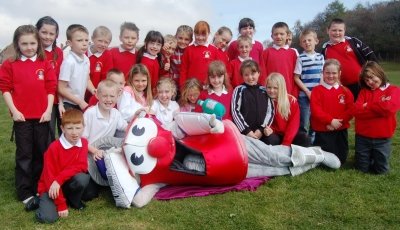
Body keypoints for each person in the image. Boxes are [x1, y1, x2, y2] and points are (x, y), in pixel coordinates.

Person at [0, 24, 57, 211]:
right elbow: (5, 89)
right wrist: (14, 111)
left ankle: (40, 187)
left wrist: (48, 110)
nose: (29, 47)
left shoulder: (45, 63)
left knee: (42, 153)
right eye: (24, 43)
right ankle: (25, 192)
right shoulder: (10, 64)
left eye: (32, 43)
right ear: (17, 44)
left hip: (42, 117)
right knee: (24, 155)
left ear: (38, 43)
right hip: (22, 119)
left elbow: (51, 89)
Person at [35, 109, 90, 223]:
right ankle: (38, 201)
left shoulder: (83, 142)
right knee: (49, 218)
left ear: (83, 127)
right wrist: (61, 205)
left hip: (62, 183)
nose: (74, 132)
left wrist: (59, 180)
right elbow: (49, 178)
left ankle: (73, 201)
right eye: (70, 128)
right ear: (62, 128)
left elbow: (82, 166)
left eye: (78, 128)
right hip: (49, 186)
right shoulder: (54, 148)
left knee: (83, 178)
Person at [354, 61, 400, 174]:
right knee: (361, 169)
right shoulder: (364, 92)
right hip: (363, 137)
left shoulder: (393, 90)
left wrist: (368, 105)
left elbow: (389, 109)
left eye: (372, 77)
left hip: (382, 138)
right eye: (366, 80)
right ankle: (369, 158)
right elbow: (357, 111)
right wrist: (379, 107)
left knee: (382, 171)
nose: (370, 82)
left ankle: (375, 158)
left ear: (379, 73)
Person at [321, 18, 378, 100]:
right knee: (348, 111)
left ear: (344, 31)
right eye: (334, 30)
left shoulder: (353, 42)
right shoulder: (325, 50)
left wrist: (373, 76)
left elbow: (371, 57)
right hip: (342, 88)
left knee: (365, 109)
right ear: (328, 30)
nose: (337, 33)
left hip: (362, 84)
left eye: (340, 30)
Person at [310, 59, 354, 164]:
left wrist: (337, 123)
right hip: (323, 129)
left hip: (340, 129)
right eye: (327, 73)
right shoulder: (317, 91)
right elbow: (316, 110)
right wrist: (330, 121)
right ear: (323, 73)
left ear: (339, 73)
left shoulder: (346, 91)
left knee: (341, 159)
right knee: (325, 161)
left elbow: (351, 110)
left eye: (334, 73)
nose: (330, 76)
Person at [231, 59, 274, 145]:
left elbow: (270, 112)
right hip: (245, 133)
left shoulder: (264, 90)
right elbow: (235, 111)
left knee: (273, 141)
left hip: (261, 132)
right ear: (242, 76)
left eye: (253, 74)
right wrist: (247, 131)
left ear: (258, 73)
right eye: (246, 75)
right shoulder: (239, 90)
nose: (250, 77)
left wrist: (261, 129)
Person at [83, 79, 127, 161]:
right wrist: (94, 151)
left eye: (112, 96)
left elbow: (126, 127)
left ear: (117, 96)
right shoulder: (90, 113)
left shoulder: (115, 113)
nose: (108, 99)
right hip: (90, 152)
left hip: (106, 153)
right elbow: (81, 139)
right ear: (97, 95)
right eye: (104, 96)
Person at [35, 16, 64, 142]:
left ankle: (65, 159)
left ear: (56, 35)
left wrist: (62, 101)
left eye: (51, 33)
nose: (47, 37)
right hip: (43, 100)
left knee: (65, 131)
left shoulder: (58, 52)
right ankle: (47, 159)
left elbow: (60, 78)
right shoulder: (32, 52)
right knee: (47, 134)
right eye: (44, 32)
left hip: (59, 99)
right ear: (37, 32)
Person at [294, 28, 324, 141]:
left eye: (309, 40)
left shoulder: (321, 57)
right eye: (304, 41)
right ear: (301, 44)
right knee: (304, 122)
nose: (307, 43)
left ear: (316, 41)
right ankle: (303, 143)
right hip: (304, 96)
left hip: (317, 96)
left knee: (315, 121)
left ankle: (313, 143)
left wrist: (318, 92)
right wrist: (307, 91)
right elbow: (296, 77)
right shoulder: (301, 58)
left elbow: (322, 74)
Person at [265, 73, 311, 146]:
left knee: (305, 139)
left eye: (275, 88)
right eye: (269, 87)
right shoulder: (265, 101)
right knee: (270, 139)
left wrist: (286, 143)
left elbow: (293, 125)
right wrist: (269, 129)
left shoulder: (292, 101)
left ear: (281, 88)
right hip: (275, 134)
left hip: (289, 134)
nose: (271, 90)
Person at [58, 24, 96, 112]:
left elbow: (87, 79)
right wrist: (80, 102)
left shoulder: (86, 59)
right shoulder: (69, 62)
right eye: (79, 40)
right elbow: (61, 88)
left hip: (79, 102)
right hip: (68, 104)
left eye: (86, 40)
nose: (84, 43)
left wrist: (93, 90)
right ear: (69, 43)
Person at [179, 21, 223, 87]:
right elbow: (183, 70)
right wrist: (182, 87)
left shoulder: (214, 50)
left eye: (203, 35)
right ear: (194, 34)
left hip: (208, 87)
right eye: (197, 34)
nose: (200, 38)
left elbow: (218, 70)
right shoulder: (188, 50)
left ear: (208, 34)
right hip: (191, 88)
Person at [262, 22, 298, 97]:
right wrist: (264, 90)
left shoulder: (293, 53)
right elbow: (263, 73)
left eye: (282, 34)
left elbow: (296, 75)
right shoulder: (266, 52)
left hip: (288, 93)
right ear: (272, 36)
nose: (278, 36)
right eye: (276, 34)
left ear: (287, 36)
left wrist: (294, 93)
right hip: (271, 92)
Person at [86, 26, 113, 101]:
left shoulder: (107, 55)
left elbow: (106, 77)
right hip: (80, 92)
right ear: (92, 38)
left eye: (106, 42)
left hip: (97, 93)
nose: (103, 44)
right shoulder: (83, 52)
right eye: (100, 41)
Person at [136, 30, 164, 94]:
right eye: (152, 43)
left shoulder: (155, 58)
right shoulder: (145, 61)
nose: (155, 46)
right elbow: (144, 82)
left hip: (152, 91)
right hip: (146, 93)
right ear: (146, 44)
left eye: (158, 44)